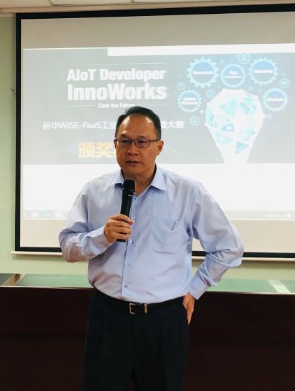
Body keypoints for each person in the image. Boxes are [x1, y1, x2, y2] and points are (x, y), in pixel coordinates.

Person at [59, 106, 244, 391]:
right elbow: (68, 247)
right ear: (115, 145)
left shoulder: (187, 192)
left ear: (159, 146)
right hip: (108, 317)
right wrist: (101, 236)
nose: (132, 149)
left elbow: (229, 247)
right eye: (125, 141)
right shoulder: (94, 191)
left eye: (142, 142)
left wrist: (195, 288)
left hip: (163, 321)